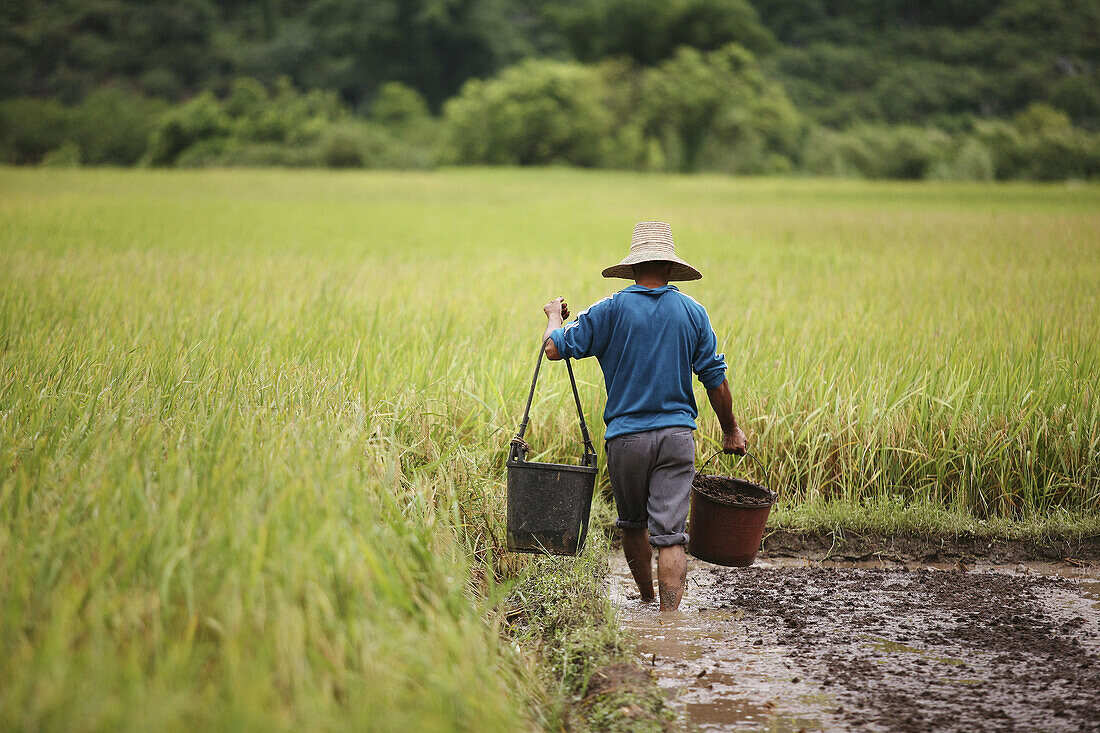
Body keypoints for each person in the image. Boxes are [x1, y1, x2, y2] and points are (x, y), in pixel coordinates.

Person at [541, 221, 747, 612]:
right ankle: (670, 621)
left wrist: (554, 316)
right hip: (677, 438)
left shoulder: (609, 310)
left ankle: (647, 601)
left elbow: (553, 349)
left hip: (626, 440)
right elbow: (715, 382)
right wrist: (731, 431)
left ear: (632, 268)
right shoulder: (693, 313)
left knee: (633, 525)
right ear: (671, 269)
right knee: (670, 536)